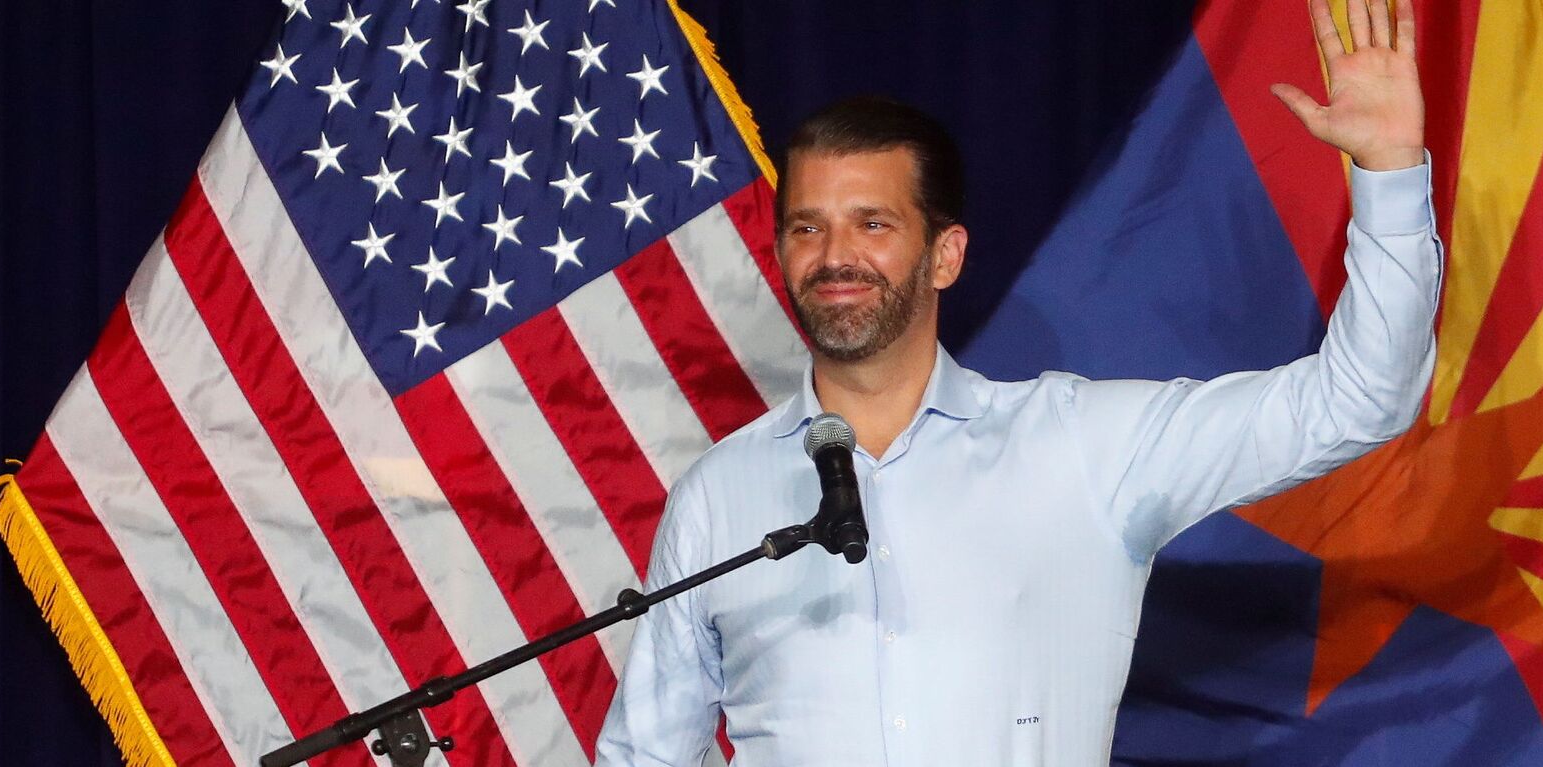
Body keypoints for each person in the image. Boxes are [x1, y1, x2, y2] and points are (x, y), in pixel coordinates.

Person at [595, 0, 1437, 763]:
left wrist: (1391, 172)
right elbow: (648, 755)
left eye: (873, 223)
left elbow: (1358, 400)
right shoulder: (718, 497)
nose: (834, 256)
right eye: (807, 227)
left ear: (946, 254)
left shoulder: (1083, 445)